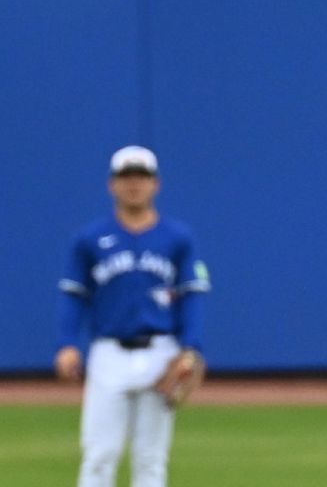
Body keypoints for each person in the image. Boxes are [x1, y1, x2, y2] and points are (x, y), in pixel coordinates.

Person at [54, 145, 211, 487]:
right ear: (112, 184)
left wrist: (191, 346)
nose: (134, 184)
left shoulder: (178, 238)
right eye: (126, 177)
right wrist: (67, 343)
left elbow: (191, 296)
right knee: (99, 455)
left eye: (142, 176)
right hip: (108, 353)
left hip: (161, 353)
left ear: (156, 184)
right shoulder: (90, 239)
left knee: (151, 461)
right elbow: (75, 296)